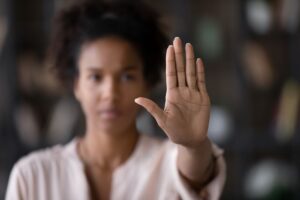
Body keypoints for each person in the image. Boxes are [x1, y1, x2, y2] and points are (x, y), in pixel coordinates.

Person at [5, 1, 226, 200]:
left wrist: (193, 145)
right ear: (76, 85)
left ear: (147, 83)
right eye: (95, 77)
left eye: (127, 76)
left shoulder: (170, 161)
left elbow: (195, 175)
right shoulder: (32, 175)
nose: (110, 93)